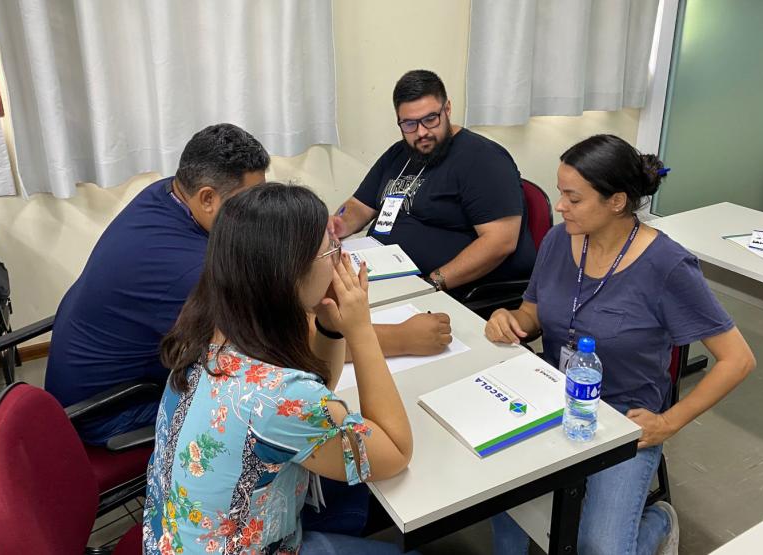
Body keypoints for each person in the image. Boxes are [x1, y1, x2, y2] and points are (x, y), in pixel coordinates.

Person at [46, 123, 451, 447]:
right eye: (249, 200)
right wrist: (401, 336)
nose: (258, 212)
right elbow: (289, 341)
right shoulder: (189, 270)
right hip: (112, 410)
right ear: (207, 197)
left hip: (117, 372)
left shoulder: (170, 194)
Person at [485, 135, 756, 555]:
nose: (560, 207)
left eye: (573, 198)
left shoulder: (667, 265)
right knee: (501, 499)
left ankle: (659, 523)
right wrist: (511, 320)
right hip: (554, 396)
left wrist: (670, 422)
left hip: (625, 415)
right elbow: (533, 313)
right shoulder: (559, 241)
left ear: (617, 201)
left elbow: (737, 360)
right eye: (560, 193)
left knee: (601, 546)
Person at [144, 183, 415, 554]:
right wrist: (360, 329)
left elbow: (319, 386)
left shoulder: (208, 327)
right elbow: (396, 452)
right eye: (331, 250)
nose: (340, 261)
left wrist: (330, 327)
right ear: (292, 274)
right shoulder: (282, 396)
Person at [330, 69, 536, 296]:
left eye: (430, 119)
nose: (421, 133)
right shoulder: (400, 153)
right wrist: (341, 223)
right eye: (409, 124)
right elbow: (360, 204)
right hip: (383, 273)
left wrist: (432, 283)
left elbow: (500, 242)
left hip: (446, 289)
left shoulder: (483, 160)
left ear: (447, 109)